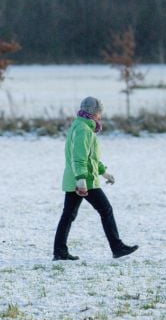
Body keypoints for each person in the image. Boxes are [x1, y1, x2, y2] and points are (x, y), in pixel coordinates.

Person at [53, 96, 138, 261]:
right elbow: (79, 158)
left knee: (68, 215)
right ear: (93, 113)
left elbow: (91, 158)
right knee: (106, 210)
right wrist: (82, 180)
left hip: (78, 179)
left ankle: (60, 251)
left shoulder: (79, 126)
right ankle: (117, 247)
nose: (101, 116)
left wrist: (104, 172)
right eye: (100, 112)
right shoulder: (83, 130)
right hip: (85, 181)